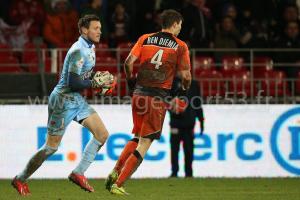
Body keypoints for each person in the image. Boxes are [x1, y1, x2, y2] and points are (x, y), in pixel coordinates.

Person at [11, 14, 114, 196]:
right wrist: (94, 83)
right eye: (95, 28)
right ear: (84, 30)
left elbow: (84, 77)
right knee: (51, 147)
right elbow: (73, 82)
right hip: (62, 100)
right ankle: (20, 178)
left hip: (76, 99)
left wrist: (98, 82)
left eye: (100, 28)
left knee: (102, 134)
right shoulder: (78, 51)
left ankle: (78, 173)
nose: (100, 31)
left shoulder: (90, 48)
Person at [105, 9, 192, 195]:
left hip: (138, 94)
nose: (180, 30)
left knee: (136, 136)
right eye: (180, 26)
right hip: (156, 98)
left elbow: (128, 62)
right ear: (175, 24)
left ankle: (115, 171)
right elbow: (186, 76)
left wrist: (130, 83)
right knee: (144, 144)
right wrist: (182, 92)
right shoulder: (180, 46)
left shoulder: (145, 38)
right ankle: (118, 185)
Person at [168, 77, 204, 178]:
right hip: (175, 123)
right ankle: (174, 172)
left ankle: (189, 173)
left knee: (189, 150)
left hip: (189, 123)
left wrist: (201, 121)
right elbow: (166, 101)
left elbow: (198, 103)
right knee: (174, 150)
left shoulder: (194, 84)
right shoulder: (172, 82)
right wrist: (172, 106)